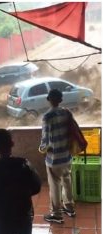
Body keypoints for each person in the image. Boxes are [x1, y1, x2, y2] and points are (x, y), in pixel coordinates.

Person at [39, 89, 76, 224]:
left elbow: (45, 139)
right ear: (61, 100)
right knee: (67, 180)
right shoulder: (67, 113)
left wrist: (42, 149)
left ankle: (56, 214)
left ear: (49, 99)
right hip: (67, 156)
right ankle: (70, 208)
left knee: (55, 184)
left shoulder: (47, 117)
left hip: (53, 159)